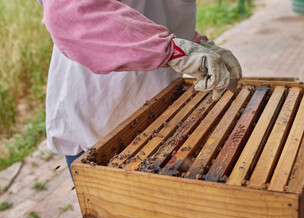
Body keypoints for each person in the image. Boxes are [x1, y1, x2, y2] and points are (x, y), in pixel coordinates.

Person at [37, 0, 242, 178]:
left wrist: (196, 43)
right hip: (100, 114)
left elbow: (154, 10)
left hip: (161, 109)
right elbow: (71, 13)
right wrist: (172, 50)